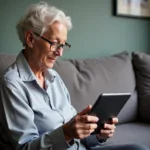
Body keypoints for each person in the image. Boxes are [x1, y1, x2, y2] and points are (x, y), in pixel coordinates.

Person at [0, 1, 149, 150]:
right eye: (54, 43)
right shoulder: (12, 84)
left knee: (138, 148)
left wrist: (97, 135)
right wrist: (66, 133)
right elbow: (25, 147)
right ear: (30, 39)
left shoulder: (54, 77)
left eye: (63, 45)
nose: (60, 52)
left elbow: (79, 139)